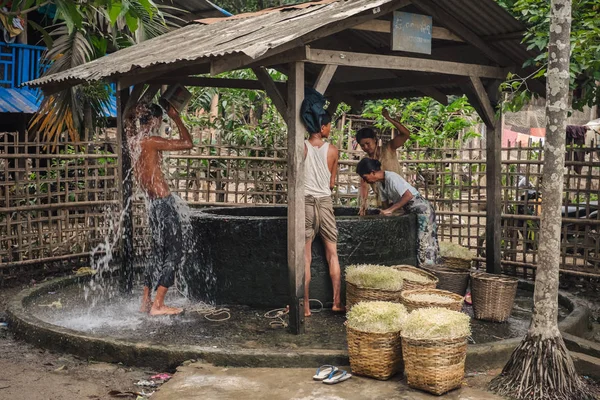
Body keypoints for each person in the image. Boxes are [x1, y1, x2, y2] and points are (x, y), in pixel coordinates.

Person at [129, 102, 193, 316]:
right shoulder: (152, 141)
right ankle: (158, 305)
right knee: (174, 253)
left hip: (153, 205)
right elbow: (187, 143)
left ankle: (146, 302)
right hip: (163, 202)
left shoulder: (134, 141)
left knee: (157, 254)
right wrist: (176, 117)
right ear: (155, 120)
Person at [356, 158, 440, 267]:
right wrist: (384, 211)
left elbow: (408, 195)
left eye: (365, 177)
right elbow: (385, 205)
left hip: (423, 210)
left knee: (426, 242)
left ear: (372, 172)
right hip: (412, 211)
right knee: (419, 242)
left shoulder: (392, 177)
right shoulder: (381, 184)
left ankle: (430, 268)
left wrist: (390, 210)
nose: (365, 181)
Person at [303, 111, 344, 317]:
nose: (330, 129)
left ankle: (306, 306)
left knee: (305, 257)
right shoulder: (333, 151)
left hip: (305, 202)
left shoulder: (302, 147)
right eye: (328, 126)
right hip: (325, 202)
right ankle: (337, 302)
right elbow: (331, 183)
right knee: (332, 254)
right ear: (321, 128)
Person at [356, 109, 412, 215]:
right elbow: (363, 183)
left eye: (368, 143)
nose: (366, 147)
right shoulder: (366, 162)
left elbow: (405, 134)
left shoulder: (388, 148)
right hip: (384, 201)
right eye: (362, 145)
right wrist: (363, 202)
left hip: (401, 198)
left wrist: (389, 119)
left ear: (375, 139)